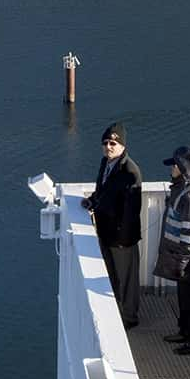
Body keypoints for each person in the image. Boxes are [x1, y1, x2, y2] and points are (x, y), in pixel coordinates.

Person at [81, 122, 142, 329]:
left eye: (113, 143)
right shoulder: (105, 163)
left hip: (122, 238)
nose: (109, 146)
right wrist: (92, 200)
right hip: (106, 233)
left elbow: (132, 210)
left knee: (126, 280)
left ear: (122, 145)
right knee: (113, 276)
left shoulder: (130, 172)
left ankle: (129, 318)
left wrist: (123, 239)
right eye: (106, 142)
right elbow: (103, 191)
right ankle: (117, 312)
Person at [154, 145, 190, 354]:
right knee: (185, 297)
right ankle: (185, 331)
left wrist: (180, 263)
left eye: (175, 166)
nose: (171, 170)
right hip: (188, 260)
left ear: (183, 168)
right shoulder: (186, 189)